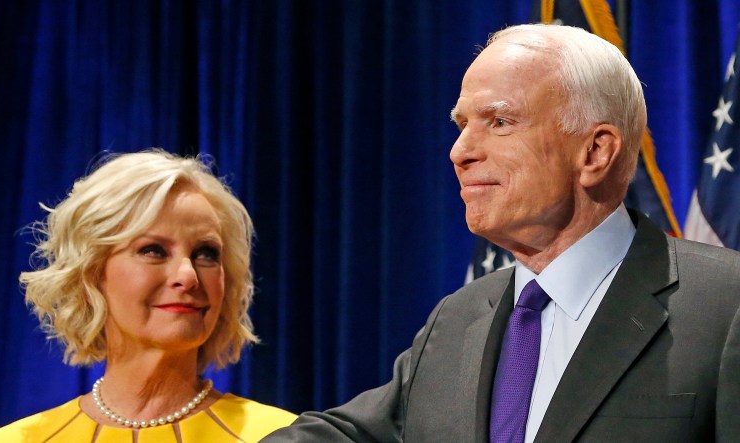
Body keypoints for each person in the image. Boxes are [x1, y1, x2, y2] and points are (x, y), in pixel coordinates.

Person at [262, 24, 740, 442]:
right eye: (463, 124)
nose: (460, 151)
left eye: (500, 122)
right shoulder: (458, 319)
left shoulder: (725, 304)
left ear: (595, 152)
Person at [0, 150, 296, 442]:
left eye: (206, 253)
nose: (188, 276)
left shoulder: (281, 436)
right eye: (153, 250)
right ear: (91, 274)